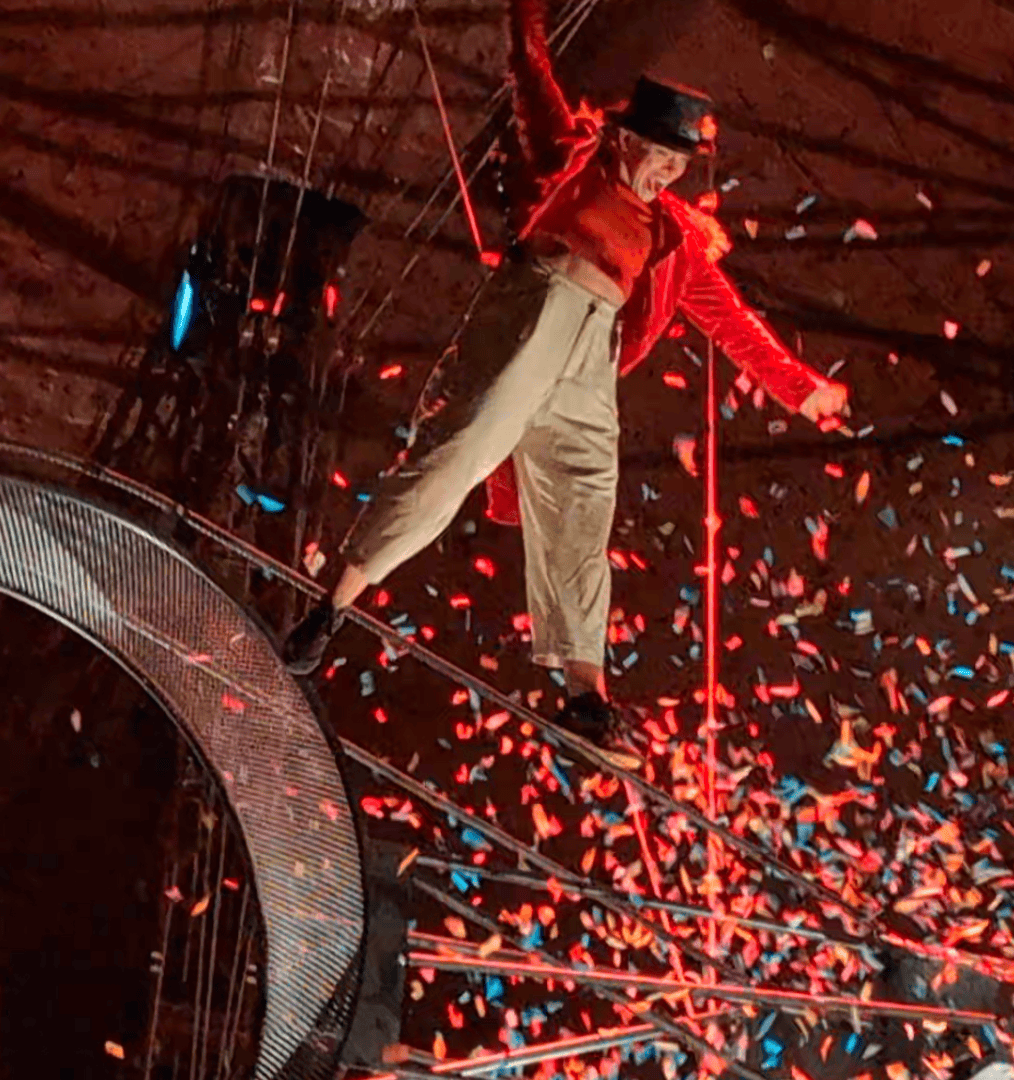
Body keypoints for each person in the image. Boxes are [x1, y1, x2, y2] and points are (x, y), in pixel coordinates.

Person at [282, 0, 849, 768]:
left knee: (585, 500)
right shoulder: (574, 155)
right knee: (463, 449)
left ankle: (584, 693)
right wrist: (527, 12)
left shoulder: (674, 237)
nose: (667, 174)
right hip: (537, 306)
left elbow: (733, 321)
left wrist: (801, 388)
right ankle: (330, 608)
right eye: (660, 156)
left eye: (679, 166)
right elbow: (530, 70)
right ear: (626, 138)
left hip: (592, 357)